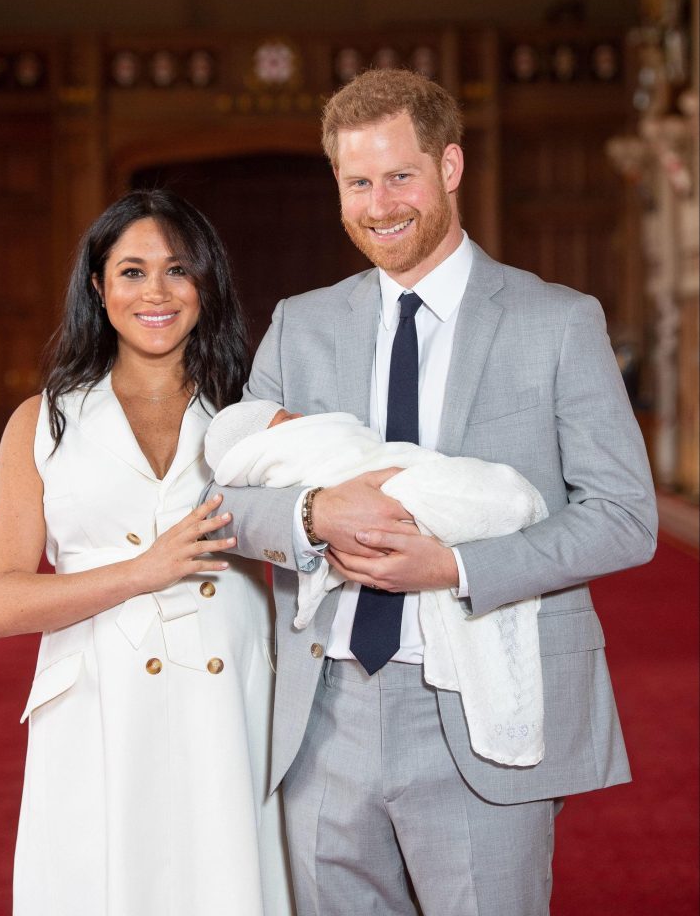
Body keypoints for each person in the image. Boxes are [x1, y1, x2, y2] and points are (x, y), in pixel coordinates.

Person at [207, 69, 658, 916]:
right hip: (322, 709)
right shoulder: (300, 323)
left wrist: (453, 565)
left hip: (480, 701)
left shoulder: (556, 320)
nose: (379, 204)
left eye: (399, 175)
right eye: (357, 182)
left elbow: (624, 517)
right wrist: (312, 513)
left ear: (449, 167)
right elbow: (224, 496)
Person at [0, 189, 294, 916]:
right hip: (96, 709)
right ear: (97, 285)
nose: (156, 292)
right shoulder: (44, 421)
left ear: (205, 283)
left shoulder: (252, 414)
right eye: (131, 271)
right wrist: (140, 571)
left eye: (178, 270)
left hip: (233, 701)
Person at [204, 398, 549, 767]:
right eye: (288, 420)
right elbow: (219, 505)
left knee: (484, 495)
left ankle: (506, 500)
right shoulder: (288, 348)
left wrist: (456, 567)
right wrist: (314, 514)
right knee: (473, 498)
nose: (302, 418)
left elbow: (615, 510)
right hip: (326, 695)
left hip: (448, 686)